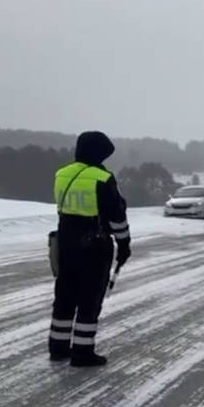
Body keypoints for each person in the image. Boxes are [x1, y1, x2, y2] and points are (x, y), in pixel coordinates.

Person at [49, 130, 131, 367]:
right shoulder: (103, 178)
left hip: (65, 243)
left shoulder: (61, 174)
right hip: (94, 247)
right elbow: (117, 217)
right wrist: (124, 244)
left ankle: (58, 347)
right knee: (89, 299)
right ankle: (82, 352)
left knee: (64, 297)